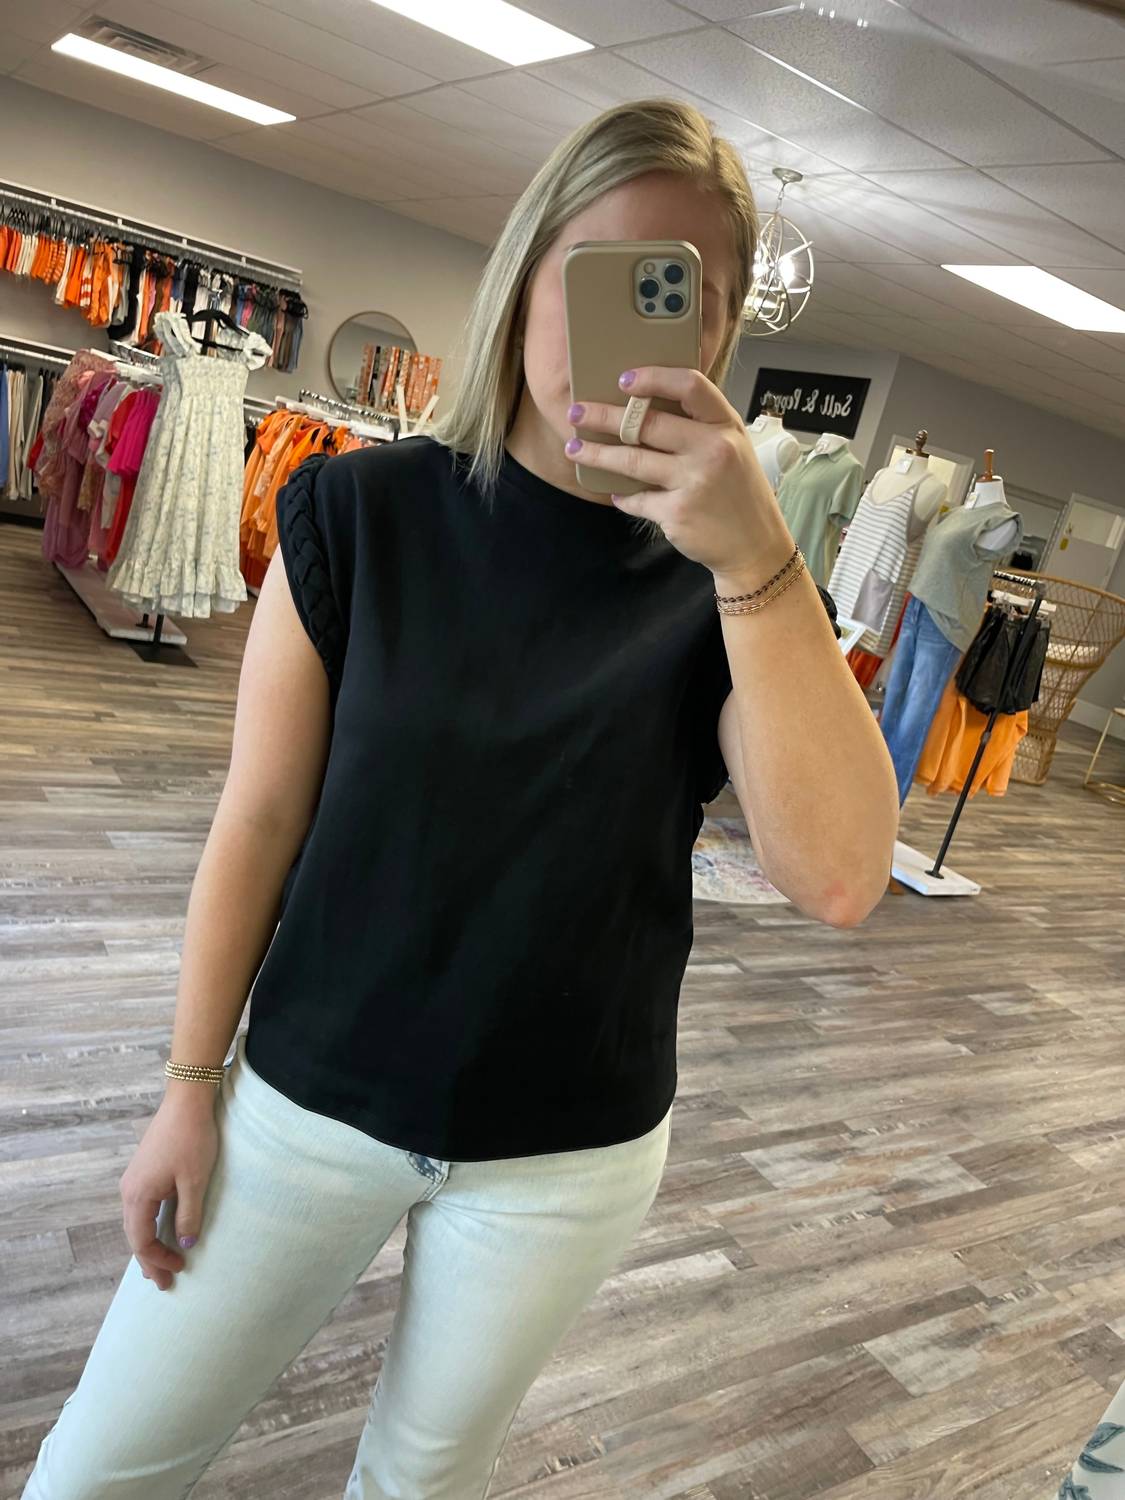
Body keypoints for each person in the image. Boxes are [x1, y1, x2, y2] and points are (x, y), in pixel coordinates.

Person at [21, 98, 898, 1499]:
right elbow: (258, 819)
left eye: (677, 297)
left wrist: (757, 562)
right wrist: (188, 1088)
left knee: (420, 1487)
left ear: (721, 337)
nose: (629, 325)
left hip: (568, 1150)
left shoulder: (728, 591)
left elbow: (841, 877)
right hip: (307, 1102)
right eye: (600, 273)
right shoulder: (359, 513)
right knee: (101, 1473)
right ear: (527, 271)